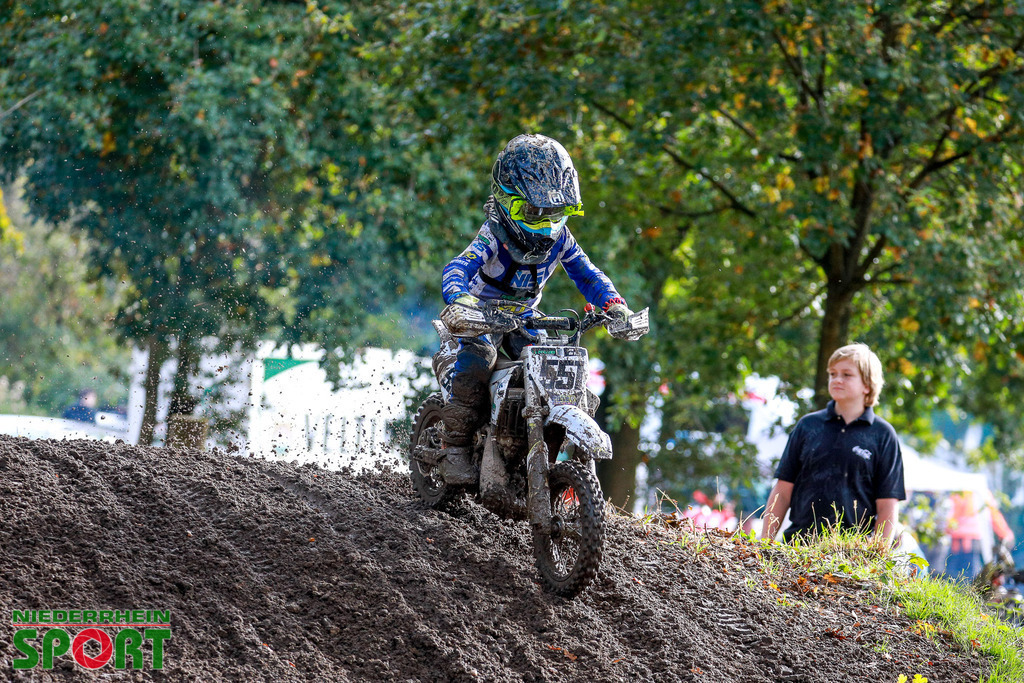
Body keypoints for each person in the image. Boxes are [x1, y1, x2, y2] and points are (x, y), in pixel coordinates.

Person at [436, 134, 632, 484]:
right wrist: (460, 298)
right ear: (506, 201)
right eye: (535, 212)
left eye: (556, 213)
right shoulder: (493, 234)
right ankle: (455, 447)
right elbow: (458, 266)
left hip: (526, 319)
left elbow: (588, 275)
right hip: (480, 317)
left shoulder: (561, 238)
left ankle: (529, 439)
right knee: (479, 362)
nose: (546, 224)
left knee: (553, 364)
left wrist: (614, 305)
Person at [761, 343, 905, 545]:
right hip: (798, 545)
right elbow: (782, 491)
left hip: (852, 554)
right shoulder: (807, 426)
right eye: (832, 374)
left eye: (847, 374)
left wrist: (877, 553)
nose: (837, 379)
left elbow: (888, 505)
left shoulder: (883, 435)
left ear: (867, 385)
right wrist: (763, 544)